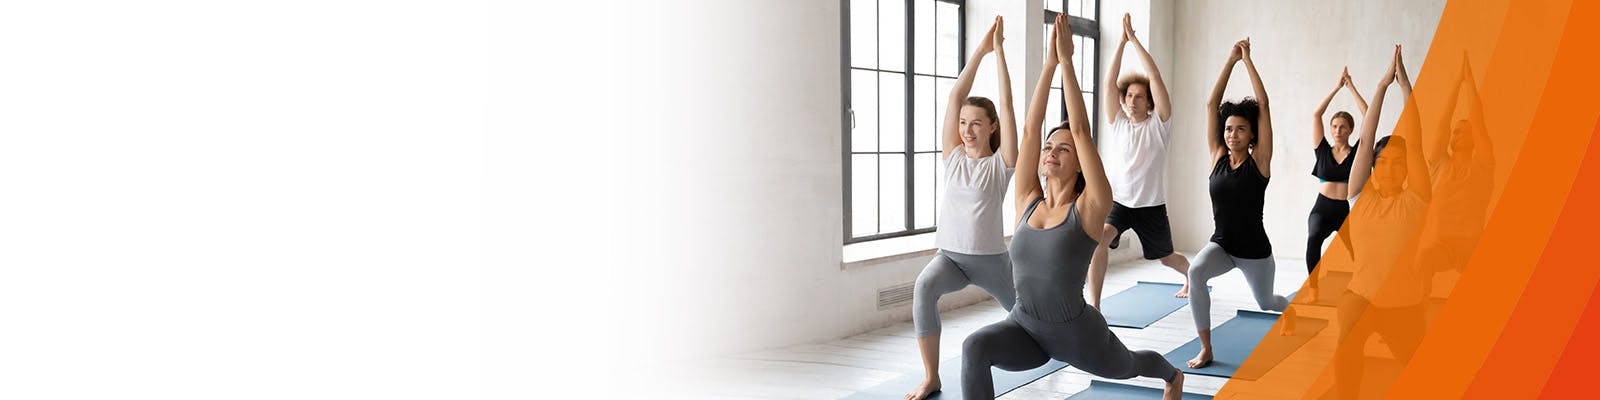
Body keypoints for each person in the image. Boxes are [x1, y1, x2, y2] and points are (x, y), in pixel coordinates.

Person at [960, 15, 1184, 400]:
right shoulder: (1027, 200)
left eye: (1063, 149)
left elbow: (1081, 130)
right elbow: (1030, 132)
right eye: (1049, 147)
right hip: (1025, 329)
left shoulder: (1093, 205)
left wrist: (1067, 64)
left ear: (1081, 160)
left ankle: (1173, 376)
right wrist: (1048, 66)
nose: (1051, 152)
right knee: (973, 348)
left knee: (1130, 365)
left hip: (1079, 336)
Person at [904, 17, 1019, 400]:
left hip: (991, 261)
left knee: (1029, 313)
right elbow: (955, 97)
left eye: (976, 124)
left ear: (992, 127)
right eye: (963, 123)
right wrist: (980, 51)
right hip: (950, 257)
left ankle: (1058, 345)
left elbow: (1006, 102)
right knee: (923, 289)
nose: (967, 130)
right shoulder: (952, 158)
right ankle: (932, 377)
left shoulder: (1000, 164)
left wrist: (1000, 53)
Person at [1332, 45, 1434, 400]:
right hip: (1361, 298)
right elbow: (1364, 146)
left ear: (1407, 168)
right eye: (1383, 162)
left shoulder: (1416, 200)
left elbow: (1417, 143)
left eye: (1397, 162)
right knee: (1346, 348)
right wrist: (1380, 88)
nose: (1389, 168)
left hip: (1404, 305)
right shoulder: (1361, 198)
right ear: (1374, 166)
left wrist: (1406, 87)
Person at [1184, 38, 1291, 368]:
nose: (1232, 134)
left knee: (1267, 302)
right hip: (1223, 245)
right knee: (1196, 271)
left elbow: (1264, 103)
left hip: (1255, 252)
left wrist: (1247, 61)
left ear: (1251, 134)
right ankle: (1206, 348)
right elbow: (1211, 104)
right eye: (1229, 129)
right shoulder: (1217, 156)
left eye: (1240, 129)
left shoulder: (1260, 162)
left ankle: (1292, 309)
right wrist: (1229, 61)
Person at [1089, 12, 1190, 309]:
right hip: (1119, 203)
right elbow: (1109, 84)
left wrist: (1134, 41)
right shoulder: (1118, 122)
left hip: (1150, 206)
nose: (1132, 100)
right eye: (1129, 96)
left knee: (1166, 258)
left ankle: (1191, 277)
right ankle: (1094, 306)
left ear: (1149, 102)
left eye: (1139, 96)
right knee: (1100, 242)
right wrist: (1119, 45)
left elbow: (1156, 78)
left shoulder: (1159, 126)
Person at [1303, 67, 1369, 302]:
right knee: (1313, 240)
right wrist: (1336, 88)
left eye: (1342, 126)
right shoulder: (1321, 149)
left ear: (1351, 129)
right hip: (1323, 207)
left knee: (1360, 251)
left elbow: (1368, 113)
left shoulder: (1358, 153)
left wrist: (1350, 87)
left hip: (1348, 210)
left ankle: (1364, 288)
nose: (1338, 130)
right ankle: (1313, 289)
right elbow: (1315, 115)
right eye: (1334, 126)